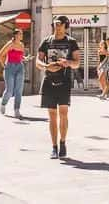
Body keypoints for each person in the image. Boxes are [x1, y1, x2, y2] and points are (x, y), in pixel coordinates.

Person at [36, 15, 81, 159]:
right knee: (52, 116)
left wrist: (67, 63)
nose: (57, 26)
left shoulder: (71, 42)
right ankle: (54, 147)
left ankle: (63, 143)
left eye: (60, 24)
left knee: (63, 114)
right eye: (55, 23)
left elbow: (77, 63)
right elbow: (38, 61)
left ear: (65, 26)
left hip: (64, 81)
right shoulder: (46, 41)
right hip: (49, 80)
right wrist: (46, 66)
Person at [0, 28, 26, 119]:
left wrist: (25, 58)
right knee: (9, 91)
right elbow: (0, 54)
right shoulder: (10, 44)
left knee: (19, 90)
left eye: (22, 34)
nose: (22, 35)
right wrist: (4, 66)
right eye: (20, 34)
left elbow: (20, 57)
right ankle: (3, 104)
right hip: (9, 67)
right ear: (15, 35)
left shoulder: (22, 45)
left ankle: (17, 110)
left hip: (20, 67)